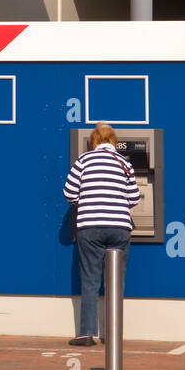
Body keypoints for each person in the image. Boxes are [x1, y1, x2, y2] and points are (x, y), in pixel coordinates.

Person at [63, 123, 140, 347]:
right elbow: (134, 197)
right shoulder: (125, 163)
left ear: (94, 141)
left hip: (90, 227)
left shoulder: (84, 160)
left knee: (90, 280)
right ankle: (112, 334)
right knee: (116, 281)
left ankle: (86, 334)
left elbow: (69, 192)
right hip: (119, 227)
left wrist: (86, 201)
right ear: (113, 140)